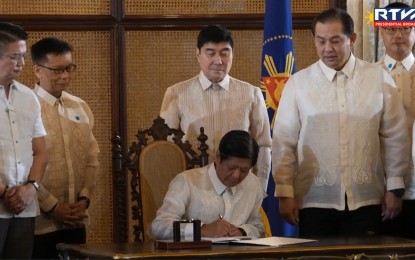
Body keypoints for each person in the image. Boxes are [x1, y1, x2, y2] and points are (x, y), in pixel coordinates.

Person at [272, 8, 409, 237]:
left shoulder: (378, 78)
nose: (328, 49)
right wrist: (285, 193)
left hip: (367, 198)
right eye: (321, 41)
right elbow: (283, 142)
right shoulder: (298, 84)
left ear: (352, 39)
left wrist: (395, 189)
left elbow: (395, 136)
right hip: (314, 200)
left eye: (335, 41)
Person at [159, 24, 271, 191]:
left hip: (240, 189)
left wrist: (259, 191)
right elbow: (166, 150)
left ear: (232, 55)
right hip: (193, 189)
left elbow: (263, 146)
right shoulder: (176, 94)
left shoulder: (252, 94)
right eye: (210, 53)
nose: (218, 61)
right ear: (198, 54)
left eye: (224, 53)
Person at [30, 37, 100, 259]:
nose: (66, 76)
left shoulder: (80, 106)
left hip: (76, 221)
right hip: (39, 223)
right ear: (37, 71)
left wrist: (84, 199)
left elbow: (92, 158)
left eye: (69, 68)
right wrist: (52, 207)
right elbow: (22, 166)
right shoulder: (27, 107)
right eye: (58, 70)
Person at [151, 130, 265, 240]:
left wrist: (241, 231)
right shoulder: (187, 181)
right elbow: (159, 226)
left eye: (244, 170)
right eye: (231, 168)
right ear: (218, 156)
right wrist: (201, 229)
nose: (236, 175)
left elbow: (258, 227)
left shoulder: (253, 184)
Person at [0, 22, 47, 258]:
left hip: (24, 209)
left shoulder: (29, 97)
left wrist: (31, 187)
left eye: (24, 56)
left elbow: (40, 151)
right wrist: (5, 193)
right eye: (15, 57)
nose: (22, 63)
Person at [376, 2, 415, 239]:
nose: (398, 34)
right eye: (390, 28)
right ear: (381, 32)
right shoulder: (368, 75)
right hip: (380, 187)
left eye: (406, 28)